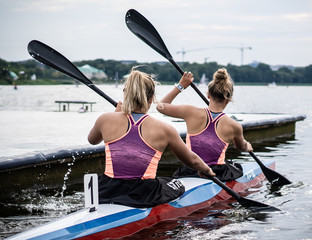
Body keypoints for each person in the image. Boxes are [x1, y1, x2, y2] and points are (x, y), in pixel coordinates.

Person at [87, 67, 215, 208]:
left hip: (107, 190)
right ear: (152, 96)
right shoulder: (165, 129)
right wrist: (208, 170)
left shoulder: (105, 119)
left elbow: (92, 140)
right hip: (143, 194)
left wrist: (115, 114)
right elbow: (191, 160)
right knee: (177, 183)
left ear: (126, 94)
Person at [156, 68, 253, 182]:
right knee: (236, 167)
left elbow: (160, 106)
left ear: (208, 95)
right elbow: (241, 147)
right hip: (218, 173)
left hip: (190, 170)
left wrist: (181, 86)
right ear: (228, 100)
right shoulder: (234, 125)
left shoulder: (190, 112)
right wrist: (248, 146)